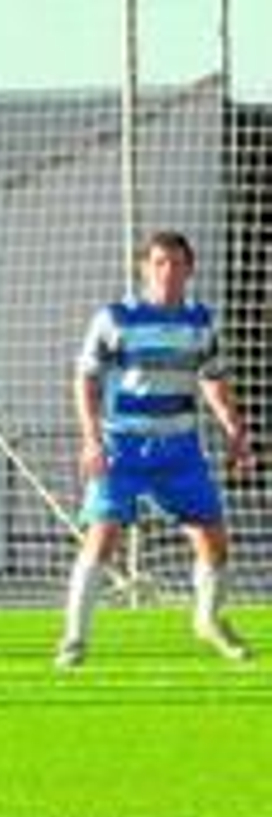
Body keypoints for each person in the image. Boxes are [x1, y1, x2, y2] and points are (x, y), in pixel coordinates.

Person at [55, 231, 252, 668]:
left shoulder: (201, 321)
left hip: (180, 449)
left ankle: (208, 620)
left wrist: (233, 428)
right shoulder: (115, 318)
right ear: (144, 268)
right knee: (102, 537)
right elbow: (86, 379)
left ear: (190, 269)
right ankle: (74, 638)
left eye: (177, 263)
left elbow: (212, 378)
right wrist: (90, 439)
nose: (168, 271)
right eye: (159, 263)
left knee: (214, 541)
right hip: (122, 446)